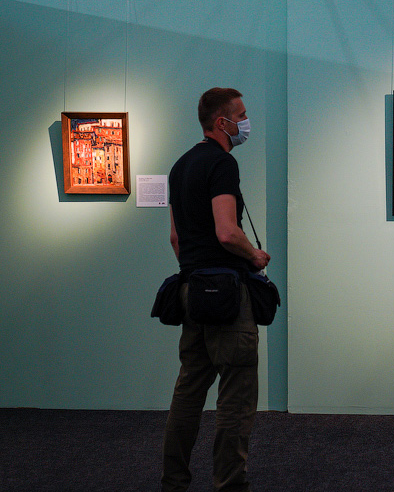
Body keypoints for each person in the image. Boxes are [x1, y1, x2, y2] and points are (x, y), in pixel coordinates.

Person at [162, 87, 271, 492]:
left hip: (191, 290)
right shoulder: (222, 164)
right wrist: (254, 255)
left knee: (189, 391)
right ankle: (229, 484)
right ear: (222, 123)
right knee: (235, 397)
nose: (246, 122)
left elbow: (175, 238)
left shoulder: (180, 166)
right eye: (241, 116)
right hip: (226, 296)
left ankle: (173, 482)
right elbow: (227, 232)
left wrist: (196, 270)